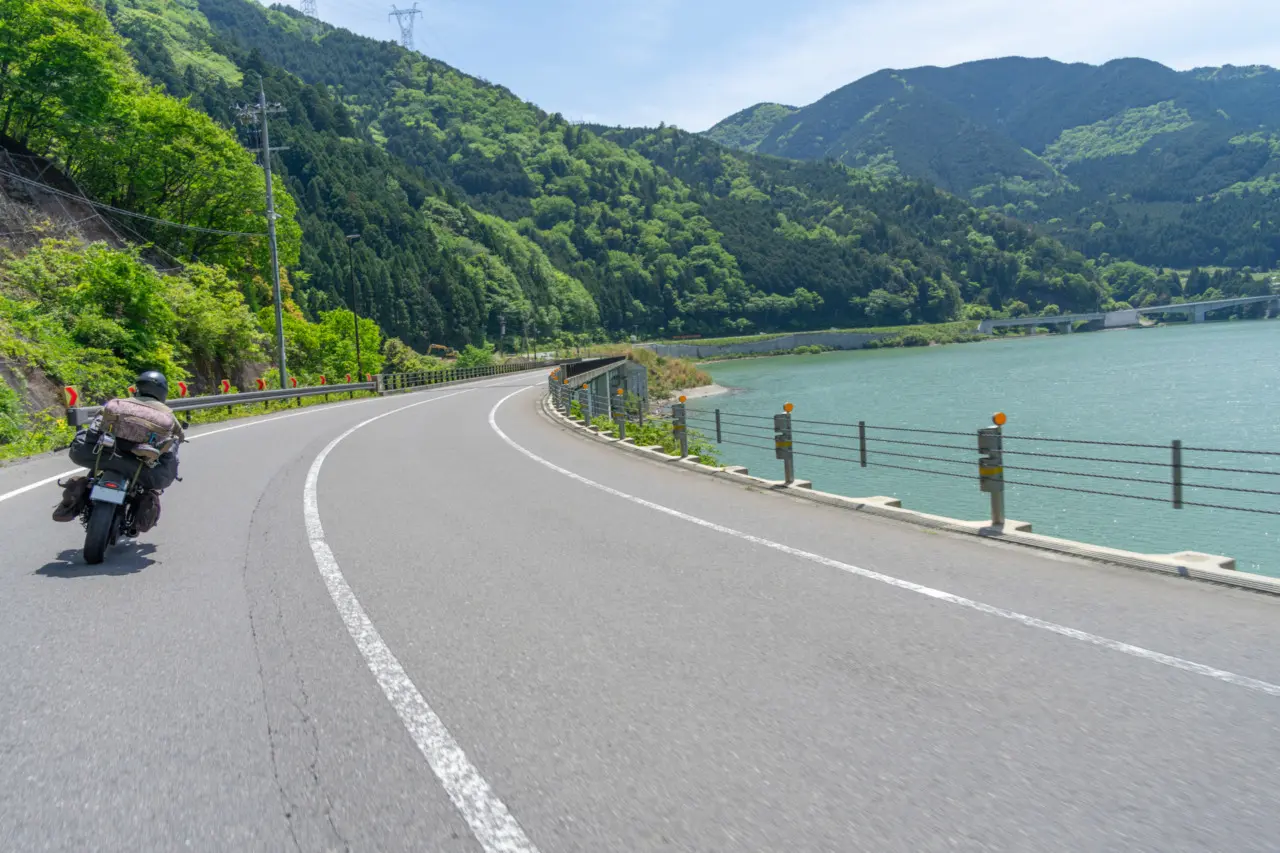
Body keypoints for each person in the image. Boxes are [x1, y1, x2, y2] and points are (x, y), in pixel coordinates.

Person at [52, 370, 184, 531]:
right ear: (163, 392)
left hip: (108, 451)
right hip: (139, 461)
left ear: (137, 388)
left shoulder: (119, 403)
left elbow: (97, 421)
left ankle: (76, 496)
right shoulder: (167, 414)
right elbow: (178, 437)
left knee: (91, 471)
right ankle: (141, 509)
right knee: (151, 481)